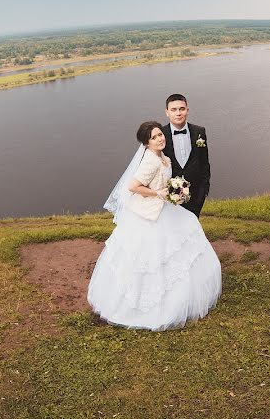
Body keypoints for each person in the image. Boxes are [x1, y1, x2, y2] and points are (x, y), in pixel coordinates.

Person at [87, 121, 222, 331]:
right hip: (150, 214)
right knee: (152, 258)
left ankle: (181, 295)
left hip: (165, 208)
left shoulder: (163, 157)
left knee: (184, 235)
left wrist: (175, 191)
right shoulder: (150, 161)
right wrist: (158, 193)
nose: (160, 139)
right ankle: (149, 305)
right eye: (154, 137)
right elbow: (133, 186)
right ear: (146, 143)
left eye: (160, 135)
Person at [162, 94, 210, 217]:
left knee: (192, 230)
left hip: (195, 195)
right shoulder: (160, 135)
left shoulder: (199, 132)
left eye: (182, 109)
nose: (178, 113)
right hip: (168, 196)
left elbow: (204, 163)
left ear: (187, 110)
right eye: (173, 109)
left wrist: (204, 190)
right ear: (167, 112)